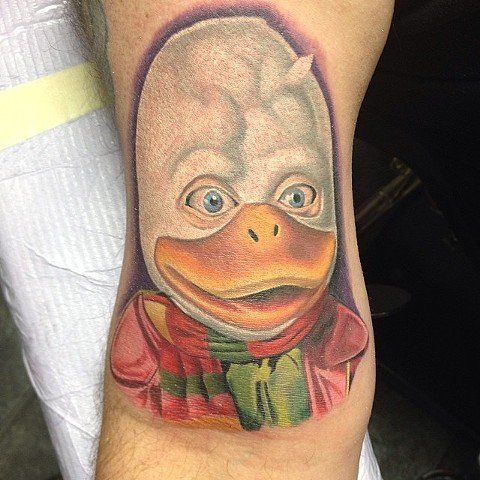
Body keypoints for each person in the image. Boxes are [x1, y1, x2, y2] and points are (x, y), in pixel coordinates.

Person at [77, 1, 394, 478]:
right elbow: (211, 453)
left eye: (297, 194)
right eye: (210, 200)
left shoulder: (327, 339)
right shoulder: (153, 343)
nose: (262, 229)